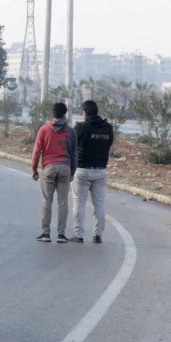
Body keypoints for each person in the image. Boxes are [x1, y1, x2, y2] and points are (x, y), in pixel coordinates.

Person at [72, 97, 117, 244]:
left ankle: (78, 234)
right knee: (99, 204)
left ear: (85, 113)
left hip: (83, 169)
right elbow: (109, 143)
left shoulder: (81, 127)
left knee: (79, 203)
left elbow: (72, 144)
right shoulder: (108, 128)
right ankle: (98, 235)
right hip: (101, 170)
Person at [32, 101, 76, 243]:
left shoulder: (44, 129)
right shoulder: (71, 131)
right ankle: (61, 234)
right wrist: (72, 172)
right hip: (65, 168)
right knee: (63, 202)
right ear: (64, 114)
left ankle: (46, 233)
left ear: (52, 113)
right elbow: (74, 154)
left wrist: (34, 169)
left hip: (49, 168)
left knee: (47, 201)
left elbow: (37, 151)